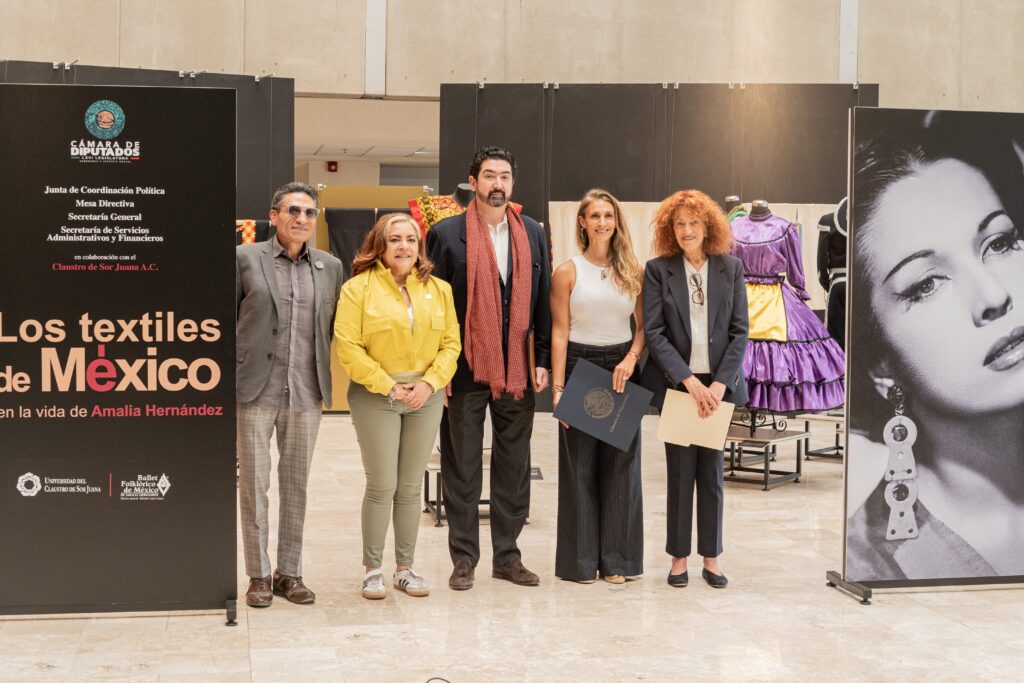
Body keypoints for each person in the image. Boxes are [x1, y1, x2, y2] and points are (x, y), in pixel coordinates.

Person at [846, 110, 1024, 581]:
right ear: (880, 362)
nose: (994, 296)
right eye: (926, 284)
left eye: (1000, 243)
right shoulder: (871, 564)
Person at [426, 146, 553, 590]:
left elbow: (542, 299)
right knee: (461, 465)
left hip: (517, 366)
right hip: (464, 367)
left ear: (512, 183)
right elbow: (434, 305)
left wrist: (542, 359)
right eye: (489, 175)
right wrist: (438, 369)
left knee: (514, 465)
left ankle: (507, 556)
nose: (497, 184)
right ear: (473, 182)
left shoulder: (532, 231)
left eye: (504, 176)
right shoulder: (446, 234)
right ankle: (464, 558)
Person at [334, 213, 461, 599]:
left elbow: (451, 344)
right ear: (380, 245)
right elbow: (348, 348)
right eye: (395, 239)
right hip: (377, 397)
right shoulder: (357, 289)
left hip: (425, 397)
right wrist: (389, 386)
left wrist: (429, 383)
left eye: (410, 239)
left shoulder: (439, 289)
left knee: (409, 486)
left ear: (419, 246)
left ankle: (405, 569)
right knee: (382, 484)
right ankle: (372, 570)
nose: (404, 246)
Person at [235, 181, 343, 608]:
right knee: (254, 485)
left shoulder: (330, 267)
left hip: (306, 390)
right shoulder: (244, 258)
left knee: (296, 485)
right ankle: (259, 575)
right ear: (274, 215)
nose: (302, 218)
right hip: (254, 389)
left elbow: (331, 327)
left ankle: (289, 573)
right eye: (293, 210)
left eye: (309, 212)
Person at [639, 189, 749, 589]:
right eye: (679, 224)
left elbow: (740, 332)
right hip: (679, 386)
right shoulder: (658, 270)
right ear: (670, 229)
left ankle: (711, 558)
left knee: (712, 475)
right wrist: (689, 381)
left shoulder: (730, 268)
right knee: (680, 475)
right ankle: (679, 558)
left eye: (694, 223)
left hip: (718, 389)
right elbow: (655, 332)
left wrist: (718, 385)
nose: (686, 231)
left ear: (709, 226)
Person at [550, 188, 645, 584]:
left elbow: (643, 328)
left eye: (608, 215)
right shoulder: (567, 272)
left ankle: (618, 562)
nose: (602, 222)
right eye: (595, 216)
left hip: (621, 367)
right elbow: (559, 332)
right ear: (583, 223)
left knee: (622, 468)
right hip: (579, 366)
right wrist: (558, 389)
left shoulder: (633, 270)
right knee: (580, 468)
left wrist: (631, 358)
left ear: (616, 222)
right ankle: (580, 563)